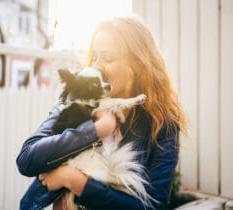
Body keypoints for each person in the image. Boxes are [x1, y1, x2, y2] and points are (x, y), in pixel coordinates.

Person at [16, 17, 187, 210]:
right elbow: (27, 159)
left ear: (139, 65)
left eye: (108, 58)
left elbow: (154, 206)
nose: (97, 65)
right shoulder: (75, 101)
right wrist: (96, 130)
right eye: (95, 57)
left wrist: (74, 180)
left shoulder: (162, 124)